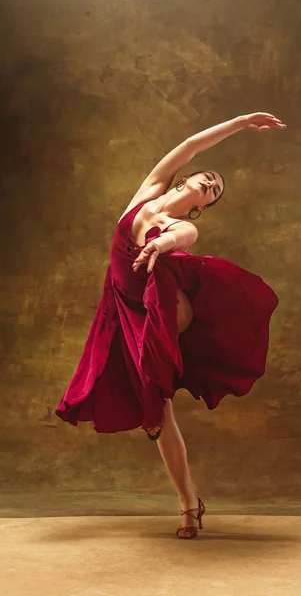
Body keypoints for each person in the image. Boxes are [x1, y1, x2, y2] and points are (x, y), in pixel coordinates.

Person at [56, 112, 286, 539]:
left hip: (158, 311)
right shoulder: (149, 192)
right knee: (158, 416)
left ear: (202, 207)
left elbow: (177, 240)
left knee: (164, 280)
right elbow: (192, 144)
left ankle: (160, 369)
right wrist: (241, 123)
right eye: (208, 178)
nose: (211, 184)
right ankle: (189, 503)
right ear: (187, 181)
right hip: (121, 308)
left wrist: (157, 246)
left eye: (215, 192)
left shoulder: (181, 226)